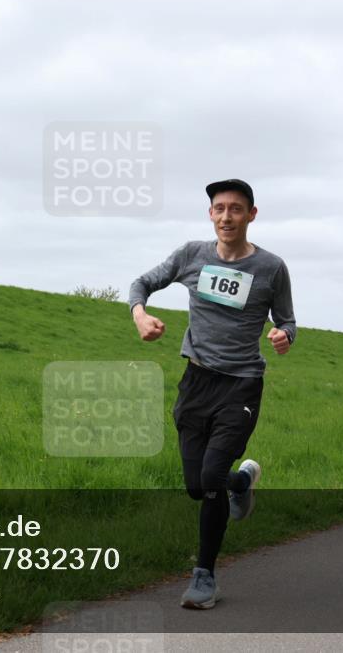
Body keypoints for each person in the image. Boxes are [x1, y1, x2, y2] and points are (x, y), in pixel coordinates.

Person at [128, 178, 296, 609]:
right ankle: (241, 482)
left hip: (241, 385)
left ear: (251, 215)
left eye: (236, 209)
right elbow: (142, 283)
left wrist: (283, 335)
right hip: (197, 382)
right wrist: (140, 316)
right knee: (195, 485)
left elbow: (287, 320)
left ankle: (204, 576)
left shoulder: (271, 268)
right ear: (210, 214)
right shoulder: (192, 255)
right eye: (219, 209)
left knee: (209, 480)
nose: (226, 216)